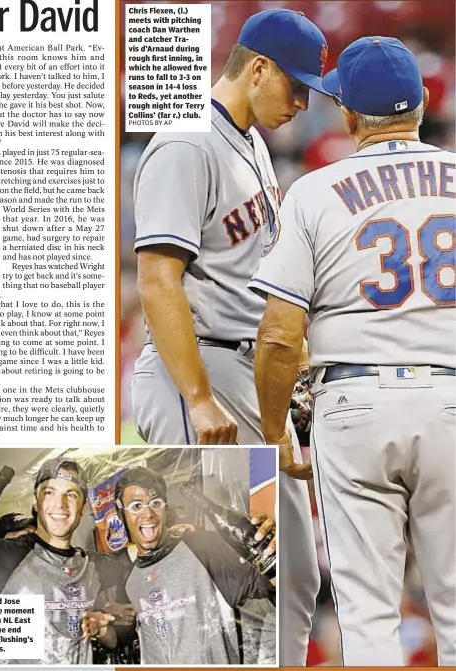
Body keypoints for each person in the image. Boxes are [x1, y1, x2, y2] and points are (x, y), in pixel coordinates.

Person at [130, 8, 330, 664]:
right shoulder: (187, 143)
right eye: (295, 86)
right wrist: (198, 397)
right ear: (257, 68)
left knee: (296, 575)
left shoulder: (247, 138)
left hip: (250, 374)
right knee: (217, 587)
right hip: (202, 373)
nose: (301, 103)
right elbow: (157, 280)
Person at [251, 36, 455, 666]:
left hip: (353, 406)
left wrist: (276, 428)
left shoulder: (314, 191)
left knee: (366, 618)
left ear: (346, 114)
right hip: (451, 398)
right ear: (421, 102)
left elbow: (282, 333)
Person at [0, 459, 135, 664]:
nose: (60, 504)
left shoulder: (89, 565)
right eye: (49, 492)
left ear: (83, 506)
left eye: (71, 494)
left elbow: (133, 554)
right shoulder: (0, 555)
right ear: (36, 501)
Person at [114, 467, 276, 665]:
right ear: (121, 512)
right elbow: (122, 637)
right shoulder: (126, 578)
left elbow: (270, 583)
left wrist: (275, 549)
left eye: (156, 503)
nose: (148, 514)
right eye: (136, 506)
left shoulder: (202, 548)